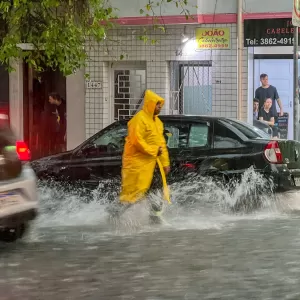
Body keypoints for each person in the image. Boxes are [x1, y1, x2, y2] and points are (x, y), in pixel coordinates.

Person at [109, 89, 171, 223]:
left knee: (157, 191)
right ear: (150, 104)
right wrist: (154, 151)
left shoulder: (158, 123)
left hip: (153, 165)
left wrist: (165, 163)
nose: (160, 107)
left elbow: (161, 144)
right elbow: (137, 141)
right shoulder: (139, 119)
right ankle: (113, 215)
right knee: (132, 195)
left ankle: (155, 218)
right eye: (157, 104)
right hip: (137, 166)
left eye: (160, 105)